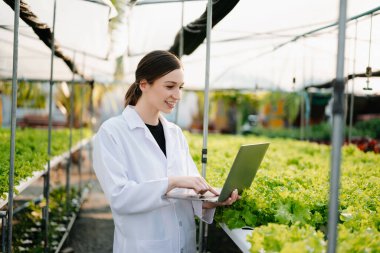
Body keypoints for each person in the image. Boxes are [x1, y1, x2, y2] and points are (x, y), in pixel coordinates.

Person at [93, 50, 239, 253]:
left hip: (183, 245)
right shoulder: (112, 133)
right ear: (144, 84)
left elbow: (188, 193)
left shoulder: (175, 133)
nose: (177, 95)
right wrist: (172, 182)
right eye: (170, 86)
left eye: (180, 87)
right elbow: (120, 198)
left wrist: (212, 200)